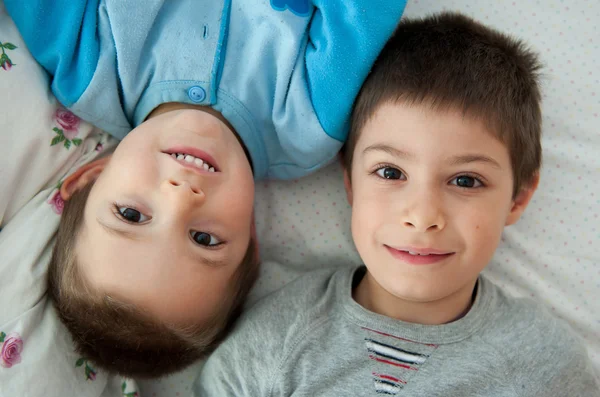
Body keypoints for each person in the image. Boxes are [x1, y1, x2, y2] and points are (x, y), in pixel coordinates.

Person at [194, 12, 600, 396]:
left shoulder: (543, 362)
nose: (422, 217)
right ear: (350, 181)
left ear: (518, 198)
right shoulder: (274, 340)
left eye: (465, 180)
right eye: (390, 173)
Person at [4, 0, 407, 378]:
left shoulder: (86, 69)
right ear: (249, 235)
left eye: (131, 215)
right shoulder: (309, 124)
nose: (181, 196)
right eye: (204, 238)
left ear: (90, 179)